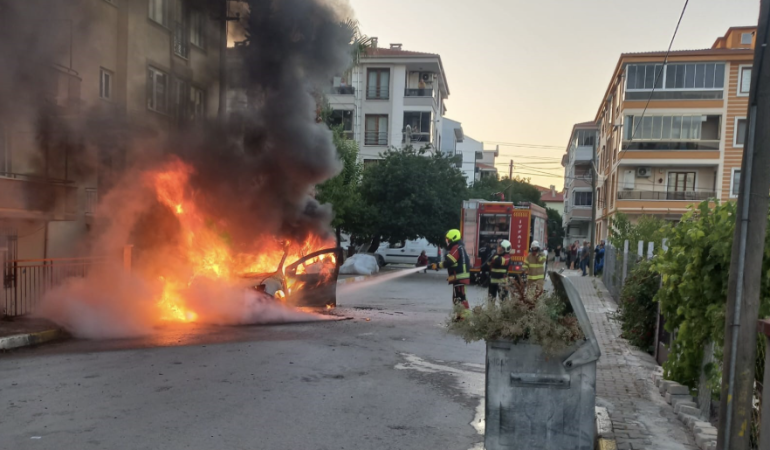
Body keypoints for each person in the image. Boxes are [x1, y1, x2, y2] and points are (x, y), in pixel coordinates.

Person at [430, 229, 471, 319]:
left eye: (448, 239)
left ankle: (465, 318)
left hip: (459, 277)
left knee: (461, 297)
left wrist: (437, 265)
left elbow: (450, 261)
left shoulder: (456, 248)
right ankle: (460, 316)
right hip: (459, 277)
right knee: (458, 298)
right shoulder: (459, 247)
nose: (447, 241)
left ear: (453, 238)